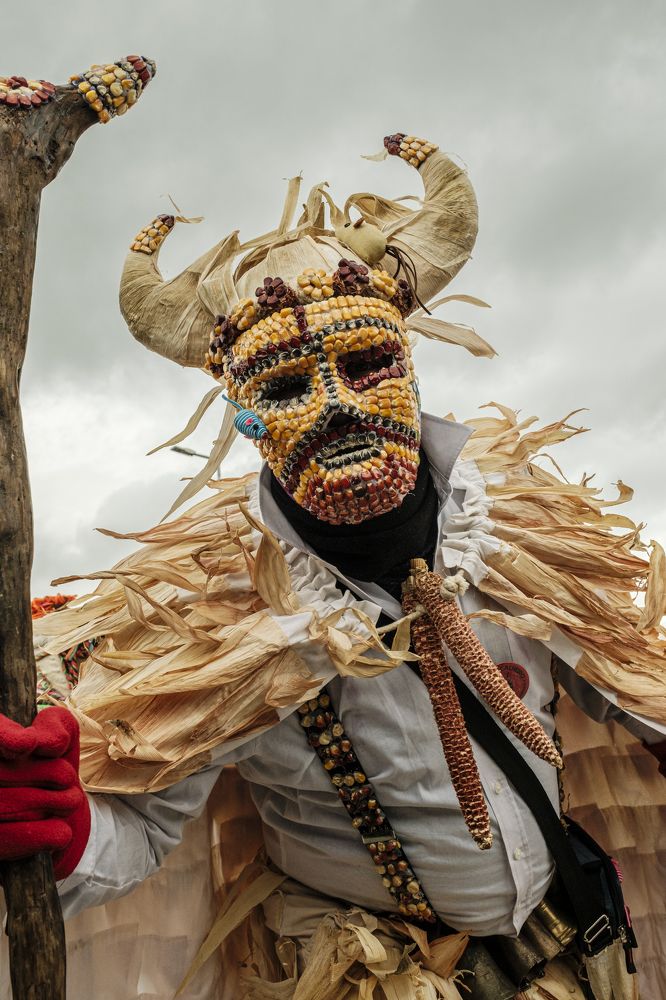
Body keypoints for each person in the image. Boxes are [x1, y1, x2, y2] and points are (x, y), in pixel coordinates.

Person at [2, 134, 665, 1000]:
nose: (336, 407)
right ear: (244, 415)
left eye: (365, 366)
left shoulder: (516, 534)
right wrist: (64, 829)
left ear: (409, 368)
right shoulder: (215, 611)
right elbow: (139, 830)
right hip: (363, 975)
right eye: (285, 388)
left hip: (575, 958)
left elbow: (627, 684)